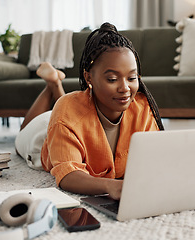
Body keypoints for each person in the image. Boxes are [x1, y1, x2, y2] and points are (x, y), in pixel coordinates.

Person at [15, 22, 164, 200]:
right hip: (41, 138)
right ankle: (52, 85)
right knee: (23, 132)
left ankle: (55, 83)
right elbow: (67, 175)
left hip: (69, 117)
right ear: (88, 77)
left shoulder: (142, 108)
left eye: (132, 77)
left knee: (66, 108)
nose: (125, 88)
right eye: (112, 79)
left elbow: (156, 158)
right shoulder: (66, 112)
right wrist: (109, 185)